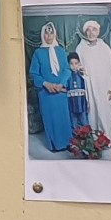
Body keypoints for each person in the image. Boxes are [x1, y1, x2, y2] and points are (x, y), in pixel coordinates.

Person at [73, 17, 111, 149]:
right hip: (89, 86)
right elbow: (77, 66)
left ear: (98, 31)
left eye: (94, 29)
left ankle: (107, 138)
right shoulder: (80, 48)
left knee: (105, 112)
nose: (91, 33)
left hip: (104, 86)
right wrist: (80, 71)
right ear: (85, 32)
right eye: (88, 30)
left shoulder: (104, 47)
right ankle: (95, 139)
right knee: (92, 112)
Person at [29, 23, 75, 153]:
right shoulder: (38, 53)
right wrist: (46, 84)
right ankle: (54, 145)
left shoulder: (61, 51)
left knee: (63, 117)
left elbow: (66, 69)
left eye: (51, 33)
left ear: (55, 34)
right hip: (46, 92)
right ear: (42, 35)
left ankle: (67, 143)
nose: (49, 36)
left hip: (61, 91)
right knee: (50, 118)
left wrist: (61, 84)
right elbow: (34, 74)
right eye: (46, 33)